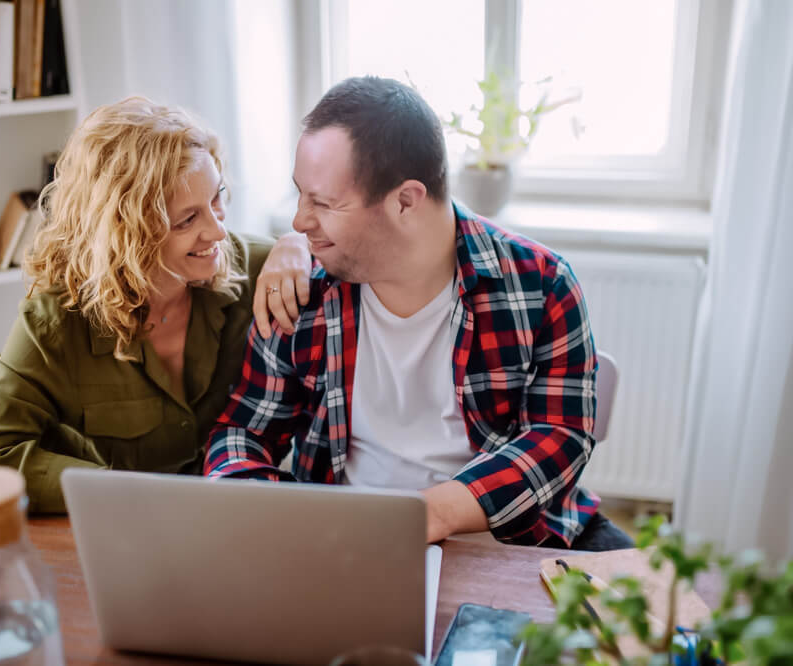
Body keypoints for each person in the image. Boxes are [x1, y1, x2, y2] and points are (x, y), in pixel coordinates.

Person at [204, 77, 632, 550]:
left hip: (509, 539)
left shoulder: (542, 284)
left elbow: (560, 436)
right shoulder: (302, 291)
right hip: (343, 546)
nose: (300, 221)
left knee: (659, 614)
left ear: (405, 200)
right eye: (300, 195)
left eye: (323, 203)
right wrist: (278, 514)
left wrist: (431, 515)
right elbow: (244, 433)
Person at [0, 97, 311, 513]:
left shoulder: (254, 269)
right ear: (127, 233)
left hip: (236, 524)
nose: (217, 231)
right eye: (186, 220)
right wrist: (122, 493)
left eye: (218, 198)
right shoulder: (57, 320)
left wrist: (296, 242)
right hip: (124, 532)